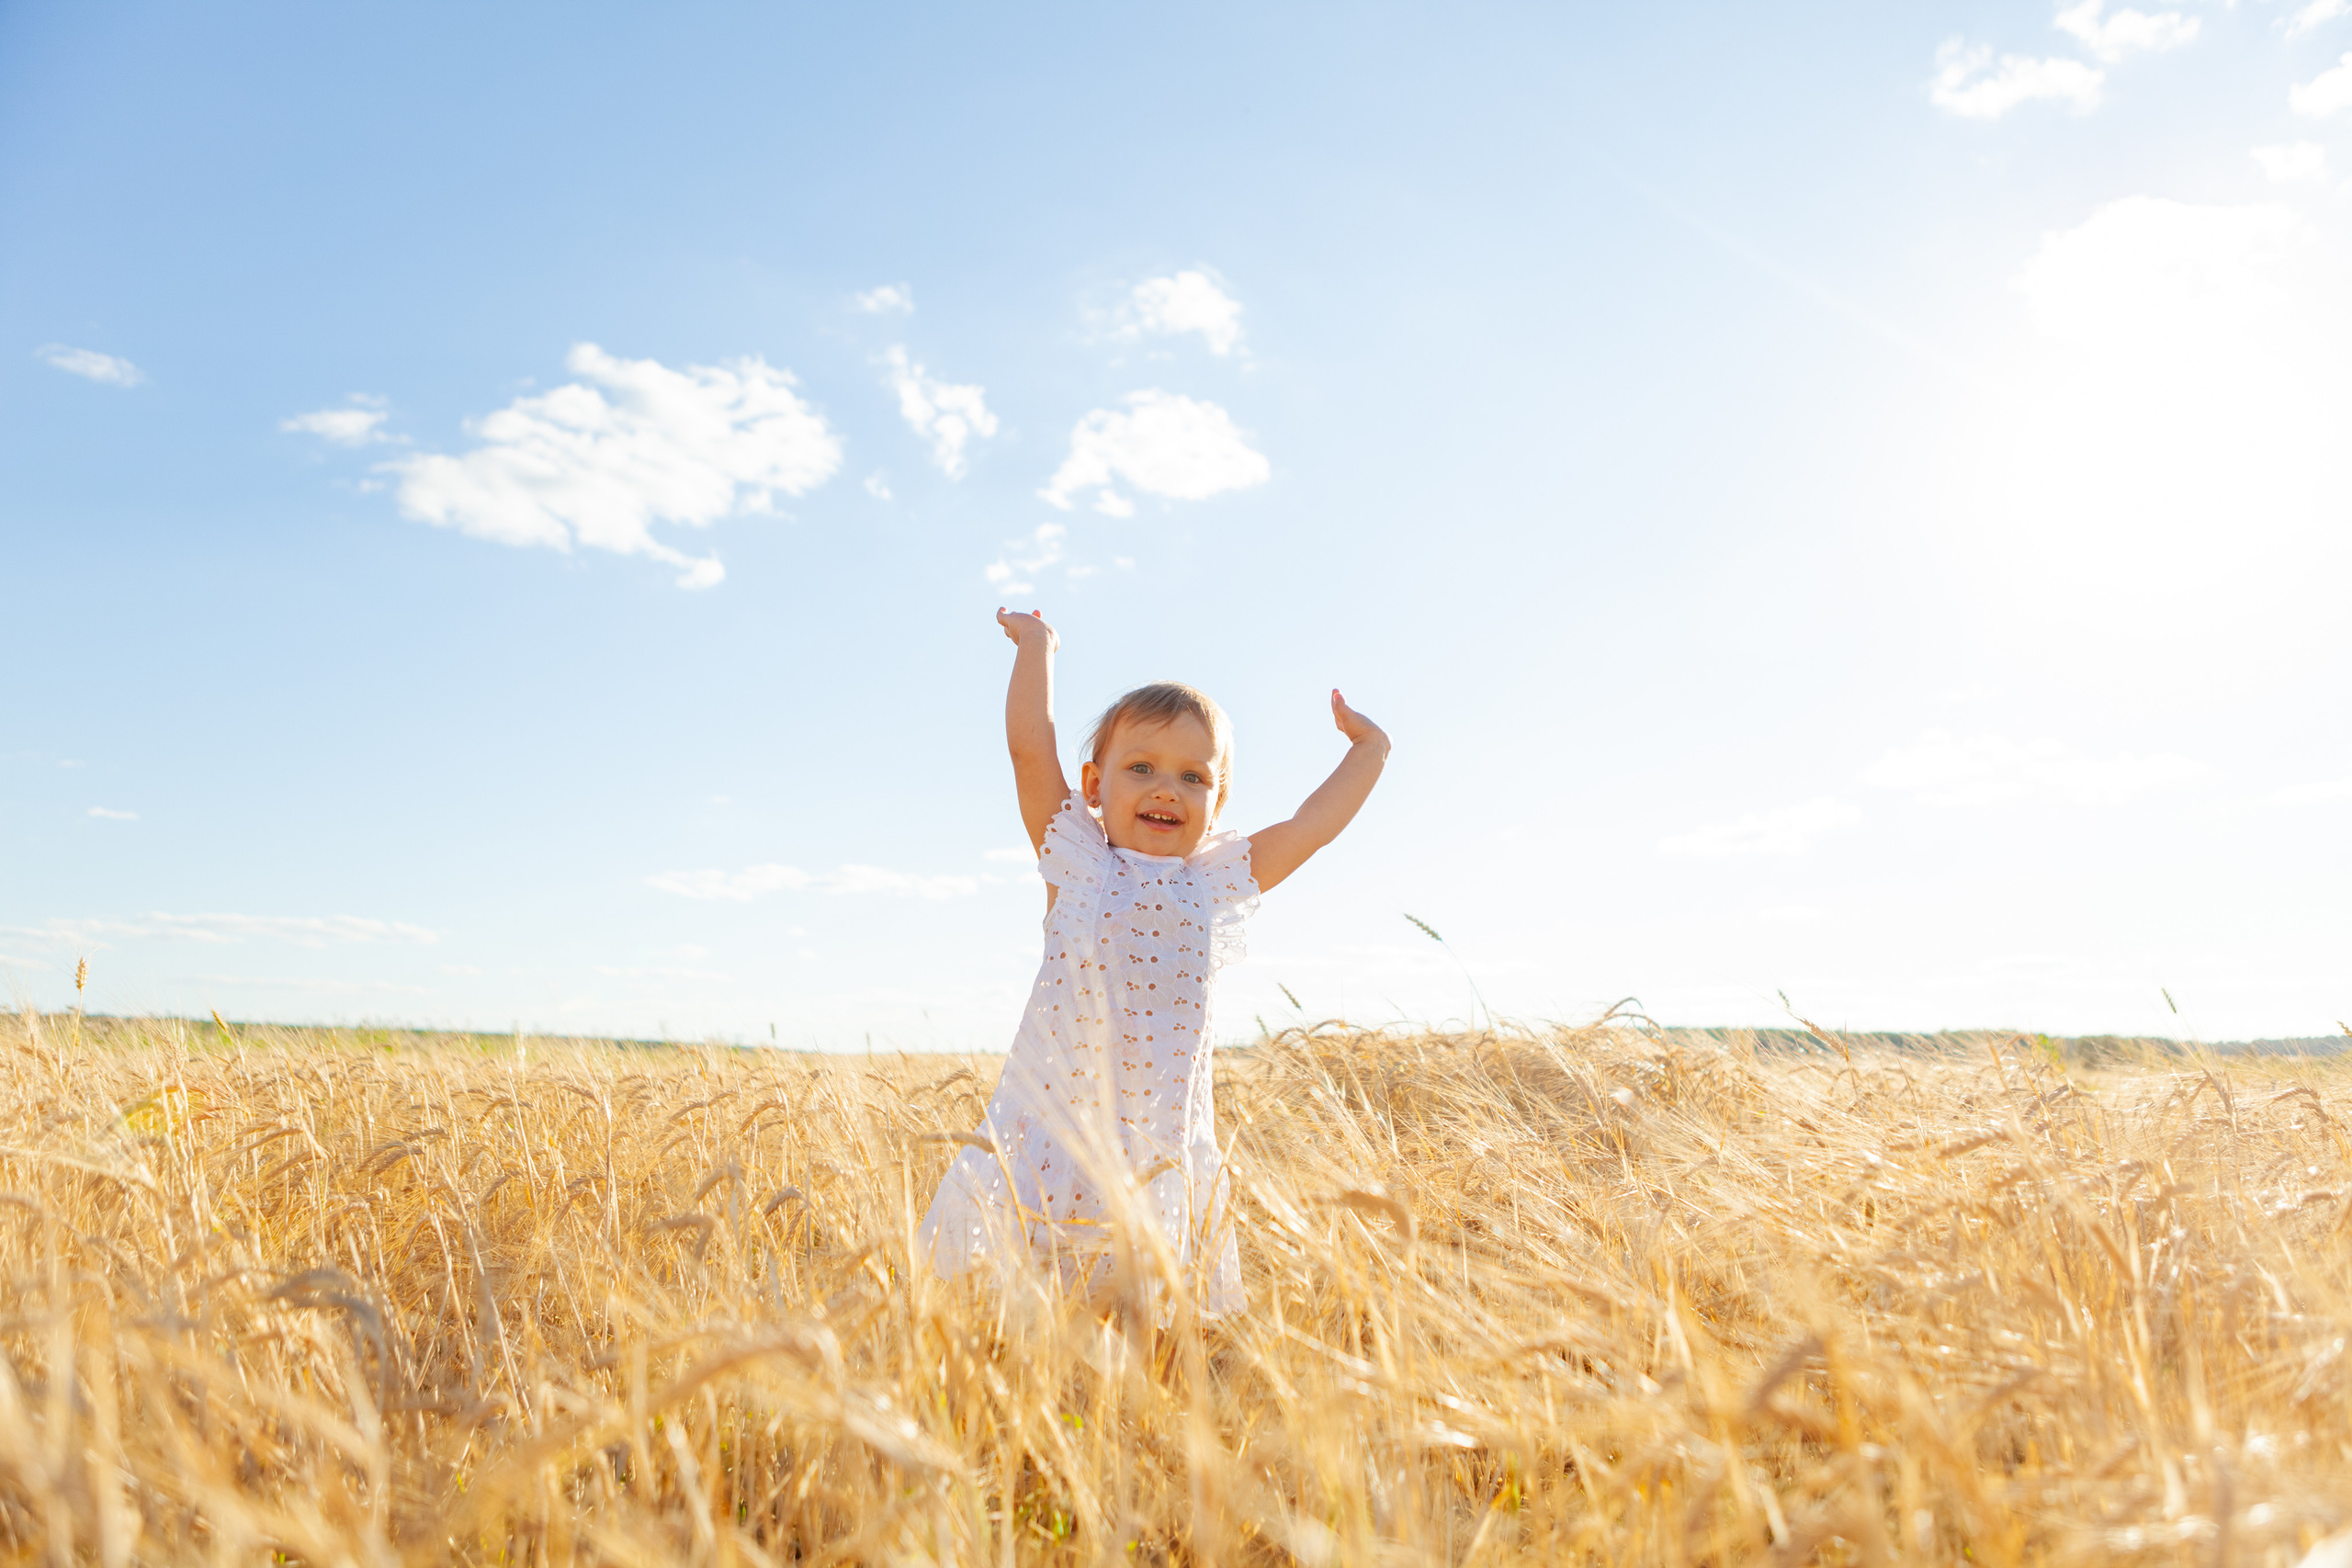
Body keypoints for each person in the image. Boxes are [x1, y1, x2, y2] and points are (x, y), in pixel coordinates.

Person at [916, 606, 1390, 1315]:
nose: (1167, 788)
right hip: (1055, 1134)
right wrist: (1039, 647)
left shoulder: (1214, 883)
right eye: (1140, 768)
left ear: (1217, 799)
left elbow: (1310, 828)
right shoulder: (1077, 865)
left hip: (1160, 1146)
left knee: (1148, 1324)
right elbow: (1028, 750)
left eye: (1193, 777)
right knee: (1021, 1313)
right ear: (1095, 785)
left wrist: (1370, 751)